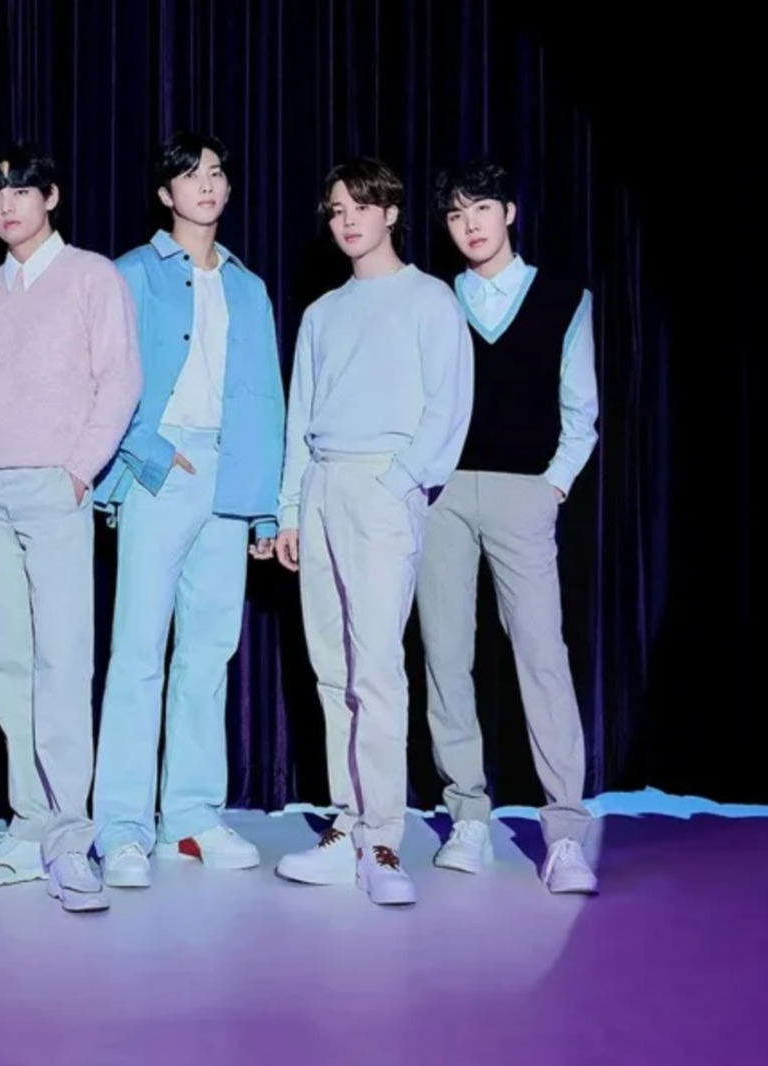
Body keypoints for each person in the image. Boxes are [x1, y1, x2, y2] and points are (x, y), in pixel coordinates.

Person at [271, 156, 474, 907]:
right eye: (336, 209)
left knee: (377, 667)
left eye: (361, 205)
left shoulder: (430, 300)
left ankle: (383, 839)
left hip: (385, 486)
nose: (348, 219)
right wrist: (292, 509)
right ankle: (346, 825)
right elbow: (299, 417)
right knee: (332, 668)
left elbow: (448, 408)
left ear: (391, 212)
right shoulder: (323, 313)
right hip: (322, 483)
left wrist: (400, 483)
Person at [0, 142, 142, 913]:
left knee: (62, 660)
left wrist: (77, 470)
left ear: (51, 197)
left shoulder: (93, 277)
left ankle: (70, 839)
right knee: (3, 661)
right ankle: (29, 827)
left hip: (52, 487)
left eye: (21, 191)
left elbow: (120, 380)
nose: (6, 206)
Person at [90, 132, 285, 888]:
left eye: (216, 173)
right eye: (190, 174)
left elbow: (265, 397)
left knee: (209, 653)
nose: (206, 184)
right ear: (165, 194)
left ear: (228, 189)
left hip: (230, 477)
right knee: (138, 652)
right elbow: (101, 376)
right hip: (160, 471)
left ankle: (192, 818)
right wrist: (148, 451)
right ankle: (122, 827)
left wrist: (263, 508)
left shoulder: (249, 287)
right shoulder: (130, 273)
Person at [418, 159, 600, 894]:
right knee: (445, 656)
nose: (470, 225)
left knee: (541, 657)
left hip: (525, 493)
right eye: (456, 214)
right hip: (443, 497)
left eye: (482, 208)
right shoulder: (435, 301)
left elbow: (581, 410)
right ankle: (467, 815)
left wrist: (552, 486)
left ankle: (565, 835)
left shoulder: (563, 297)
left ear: (509, 212)